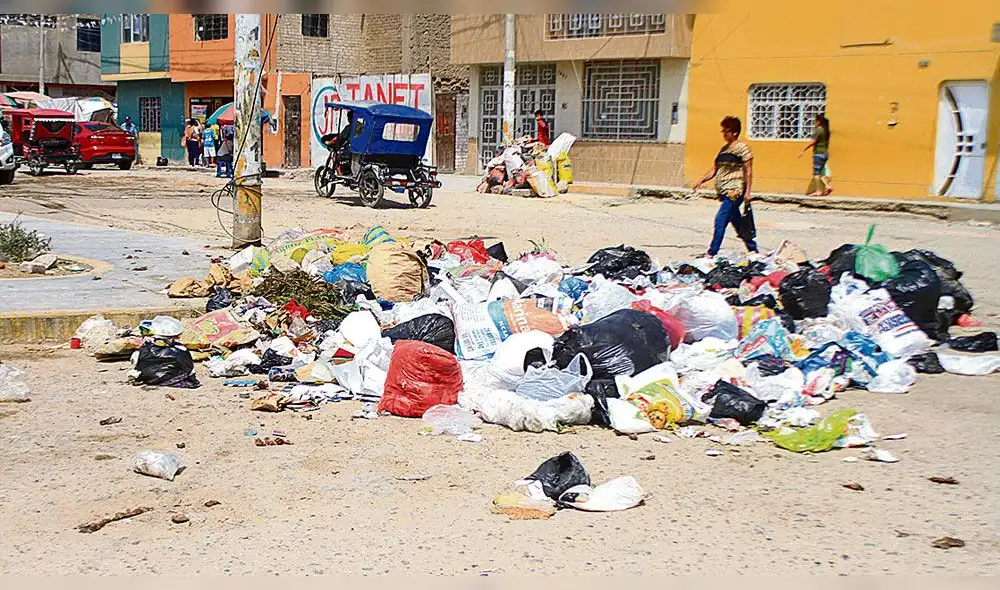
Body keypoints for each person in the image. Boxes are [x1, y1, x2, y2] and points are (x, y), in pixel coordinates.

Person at [692, 116, 759, 258]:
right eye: (722, 131)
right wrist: (701, 180)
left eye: (726, 131)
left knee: (720, 220)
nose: (724, 134)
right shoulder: (723, 150)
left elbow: (748, 171)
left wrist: (748, 192)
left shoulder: (742, 148)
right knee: (737, 222)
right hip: (724, 192)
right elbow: (715, 169)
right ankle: (752, 249)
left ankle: (712, 252)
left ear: (734, 132)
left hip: (735, 191)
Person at [799, 114, 832, 196]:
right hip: (825, 153)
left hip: (818, 153)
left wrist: (803, 150)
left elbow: (813, 142)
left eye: (815, 121)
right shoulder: (826, 131)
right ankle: (827, 186)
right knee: (821, 172)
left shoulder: (819, 130)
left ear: (819, 121)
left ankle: (818, 191)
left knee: (816, 173)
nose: (815, 123)